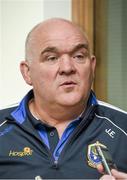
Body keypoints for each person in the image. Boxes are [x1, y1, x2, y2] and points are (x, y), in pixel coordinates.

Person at [0, 18, 127, 179]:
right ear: (27, 72)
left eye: (79, 56)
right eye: (52, 58)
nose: (67, 68)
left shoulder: (123, 128)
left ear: (92, 66)